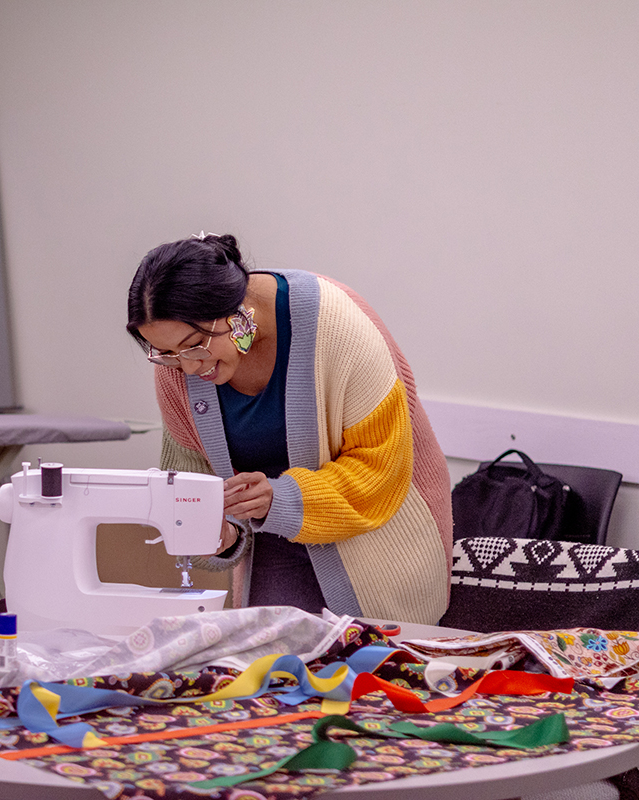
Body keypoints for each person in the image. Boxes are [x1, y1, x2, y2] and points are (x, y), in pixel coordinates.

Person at [126, 233, 452, 625]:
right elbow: (192, 481)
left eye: (195, 344)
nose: (189, 367)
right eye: (165, 354)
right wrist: (219, 534)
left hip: (381, 538)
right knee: (270, 666)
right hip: (274, 540)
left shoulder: (339, 328)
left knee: (366, 669)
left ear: (235, 310)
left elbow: (379, 472)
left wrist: (278, 500)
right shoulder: (179, 368)